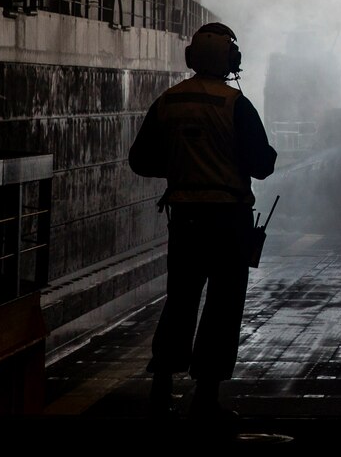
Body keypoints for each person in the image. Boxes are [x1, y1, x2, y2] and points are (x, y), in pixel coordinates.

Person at [129, 22, 277, 419]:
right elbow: (262, 166)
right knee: (223, 306)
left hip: (186, 219)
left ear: (192, 59)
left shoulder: (168, 101)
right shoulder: (235, 104)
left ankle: (161, 387)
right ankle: (206, 397)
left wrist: (181, 167)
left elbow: (140, 160)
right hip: (229, 219)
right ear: (231, 60)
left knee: (180, 300)